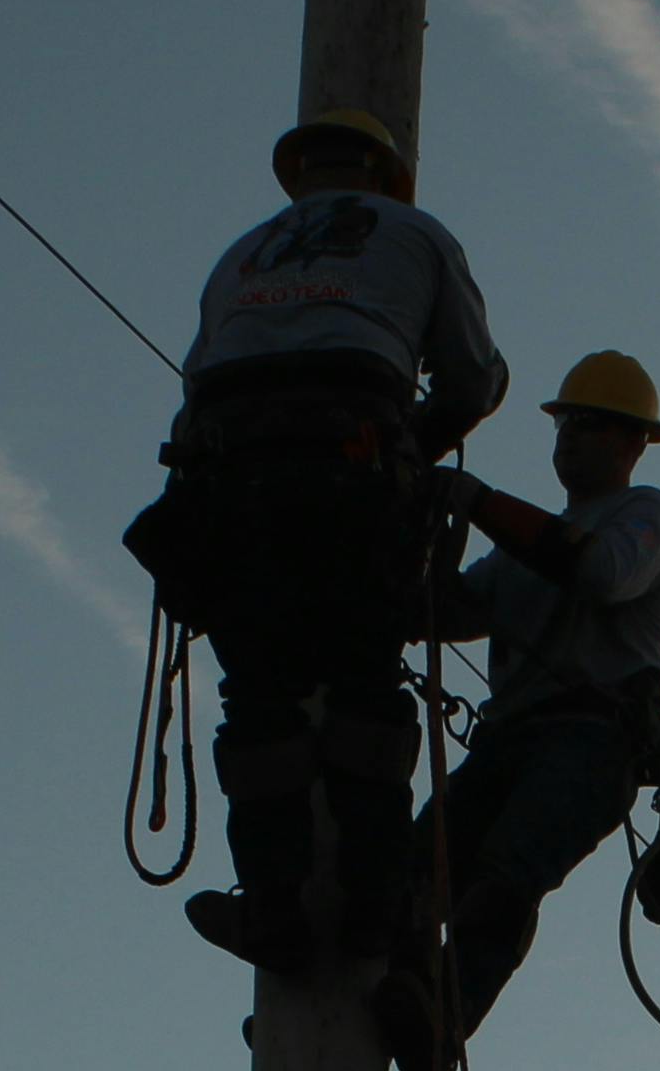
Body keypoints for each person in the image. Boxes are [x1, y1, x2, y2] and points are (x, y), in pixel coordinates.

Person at [139, 108, 506, 983]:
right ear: (383, 173)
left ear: (298, 175)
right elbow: (473, 379)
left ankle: (276, 911)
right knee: (363, 692)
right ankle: (374, 912)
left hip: (229, 482)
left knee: (260, 702)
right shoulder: (415, 233)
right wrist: (413, 441)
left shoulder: (239, 254)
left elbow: (197, 391)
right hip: (353, 468)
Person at [381, 347, 660, 1071]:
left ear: (631, 443)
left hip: (592, 739)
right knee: (411, 877)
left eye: (587, 426)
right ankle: (364, 1014)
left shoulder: (644, 514)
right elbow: (444, 611)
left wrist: (477, 500)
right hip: (508, 741)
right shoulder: (522, 546)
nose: (568, 437)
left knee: (507, 875)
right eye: (564, 423)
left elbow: (601, 572)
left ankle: (441, 1029)